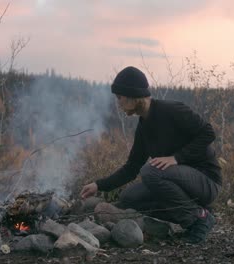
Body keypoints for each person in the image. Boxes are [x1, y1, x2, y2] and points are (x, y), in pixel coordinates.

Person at [80, 66, 222, 244]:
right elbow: (131, 168)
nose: (118, 103)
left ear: (133, 96)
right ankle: (196, 209)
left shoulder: (172, 110)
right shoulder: (143, 128)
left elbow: (208, 133)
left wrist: (176, 158)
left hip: (206, 180)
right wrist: (98, 185)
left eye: (120, 97)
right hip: (183, 185)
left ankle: (199, 218)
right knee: (129, 198)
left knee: (150, 171)